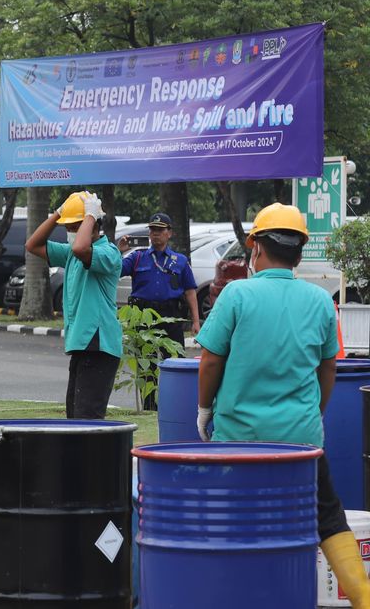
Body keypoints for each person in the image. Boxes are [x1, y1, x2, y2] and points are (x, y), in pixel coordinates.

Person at [195, 203, 369, 608]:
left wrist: (205, 410)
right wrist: (311, 415)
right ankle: (362, 598)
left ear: (255, 246)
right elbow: (329, 370)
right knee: (328, 518)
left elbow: (210, 360)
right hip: (302, 442)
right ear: (301, 252)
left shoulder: (237, 293)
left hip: (239, 442)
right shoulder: (321, 301)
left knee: (235, 523)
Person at [24, 191, 123, 419]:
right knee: (74, 419)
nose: (69, 233)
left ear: (92, 225)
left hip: (99, 344)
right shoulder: (71, 254)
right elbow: (32, 245)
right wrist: (58, 213)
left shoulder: (108, 253)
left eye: (73, 227)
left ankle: (95, 457)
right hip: (83, 345)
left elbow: (81, 248)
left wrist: (90, 215)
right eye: (67, 228)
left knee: (86, 420)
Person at [118, 213, 200, 409]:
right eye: (152, 230)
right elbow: (115, 270)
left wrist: (196, 321)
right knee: (146, 364)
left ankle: (176, 406)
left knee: (175, 363)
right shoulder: (137, 258)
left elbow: (190, 291)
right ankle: (149, 407)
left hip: (170, 317)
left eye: (160, 230)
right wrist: (119, 252)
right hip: (143, 317)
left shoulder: (179, 261)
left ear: (169, 233)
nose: (155, 234)